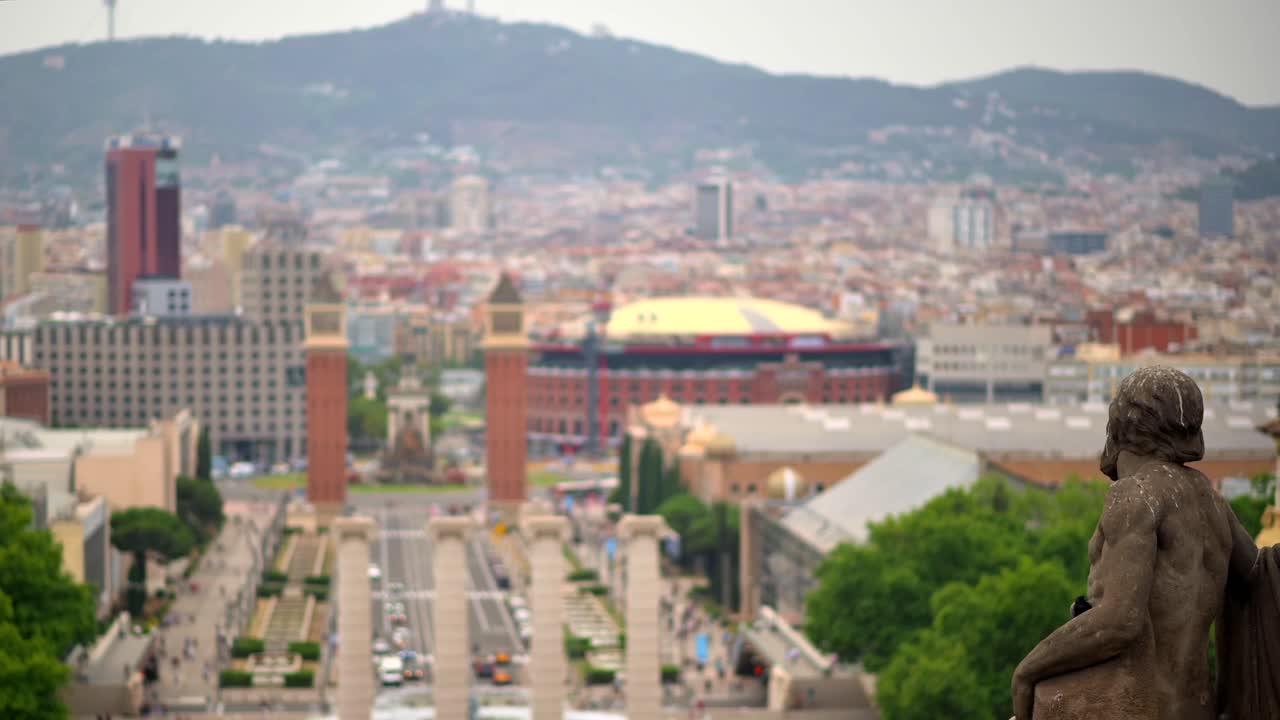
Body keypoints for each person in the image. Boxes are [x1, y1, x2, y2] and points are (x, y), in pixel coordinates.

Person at [1012, 367, 1271, 720]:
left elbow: (1119, 621)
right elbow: (1261, 580)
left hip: (1136, 704)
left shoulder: (1134, 494)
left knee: (1044, 692)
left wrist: (1028, 670)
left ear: (1120, 424)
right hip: (1197, 707)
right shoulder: (1211, 500)